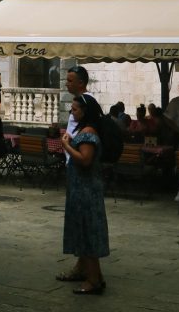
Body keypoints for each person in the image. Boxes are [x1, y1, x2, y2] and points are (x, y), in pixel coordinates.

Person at [58, 94, 109, 295]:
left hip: (86, 191)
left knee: (87, 234)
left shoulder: (88, 132)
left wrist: (67, 146)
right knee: (86, 233)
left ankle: (92, 280)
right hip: (83, 188)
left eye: (76, 109)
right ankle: (95, 276)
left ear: (85, 112)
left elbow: (85, 159)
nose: (72, 112)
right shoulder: (85, 131)